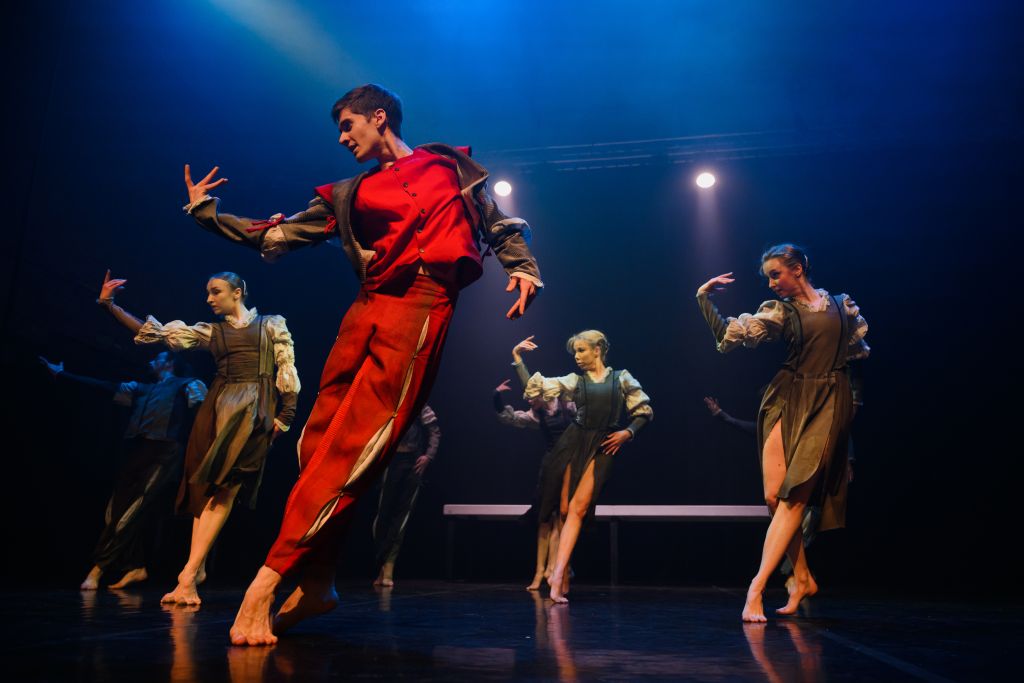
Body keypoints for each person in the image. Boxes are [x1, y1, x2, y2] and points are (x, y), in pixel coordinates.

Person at [181, 84, 542, 644]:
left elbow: (494, 221)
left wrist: (521, 266)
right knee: (315, 445)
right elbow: (279, 233)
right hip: (366, 310)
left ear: (379, 117)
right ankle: (318, 580)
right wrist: (209, 215)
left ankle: (266, 582)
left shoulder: (448, 166)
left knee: (359, 443)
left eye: (348, 126)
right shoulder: (350, 192)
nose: (342, 138)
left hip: (421, 306)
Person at [97, 269, 300, 606]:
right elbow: (157, 334)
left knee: (227, 488)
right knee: (207, 491)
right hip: (216, 410)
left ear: (237, 292)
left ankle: (187, 575)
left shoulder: (271, 325)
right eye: (208, 292)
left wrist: (286, 415)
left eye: (216, 291)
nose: (209, 299)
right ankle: (196, 568)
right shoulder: (212, 332)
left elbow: (287, 367)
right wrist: (110, 306)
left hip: (254, 410)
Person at [695, 243, 869, 622]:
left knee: (795, 499)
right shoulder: (780, 312)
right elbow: (728, 340)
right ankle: (802, 577)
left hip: (828, 402)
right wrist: (704, 300)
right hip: (786, 398)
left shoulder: (842, 307)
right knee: (774, 497)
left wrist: (849, 428)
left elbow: (854, 362)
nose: (772, 283)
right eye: (769, 278)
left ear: (798, 268)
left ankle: (756, 588)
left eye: (776, 274)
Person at [40, 351, 206, 590]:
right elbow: (102, 387)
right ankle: (135, 566)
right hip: (137, 451)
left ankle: (97, 570)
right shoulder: (141, 388)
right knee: (115, 512)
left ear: (169, 363)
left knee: (130, 511)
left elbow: (203, 415)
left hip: (165, 452)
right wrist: (62, 375)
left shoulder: (188, 385)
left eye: (157, 358)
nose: (151, 361)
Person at [518, 331, 652, 604]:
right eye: (575, 352)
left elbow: (644, 412)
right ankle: (562, 572)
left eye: (581, 351)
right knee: (564, 510)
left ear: (598, 349)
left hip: (603, 446)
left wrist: (628, 433)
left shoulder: (621, 378)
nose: (577, 357)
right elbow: (537, 390)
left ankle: (557, 575)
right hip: (573, 443)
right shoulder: (575, 381)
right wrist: (518, 359)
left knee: (578, 509)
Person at [493, 335, 577, 591]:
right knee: (544, 518)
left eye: (531, 396)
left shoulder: (566, 403)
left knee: (563, 517)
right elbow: (510, 418)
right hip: (551, 465)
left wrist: (518, 359)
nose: (528, 400)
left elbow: (532, 384)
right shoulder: (536, 413)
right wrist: (496, 397)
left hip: (571, 463)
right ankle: (542, 571)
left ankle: (557, 569)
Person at [371, 404, 441, 588]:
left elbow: (434, 431)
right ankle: (382, 563)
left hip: (412, 461)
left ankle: (389, 567)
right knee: (383, 516)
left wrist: (428, 456)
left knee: (401, 517)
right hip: (391, 461)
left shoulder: (419, 402)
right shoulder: (392, 401)